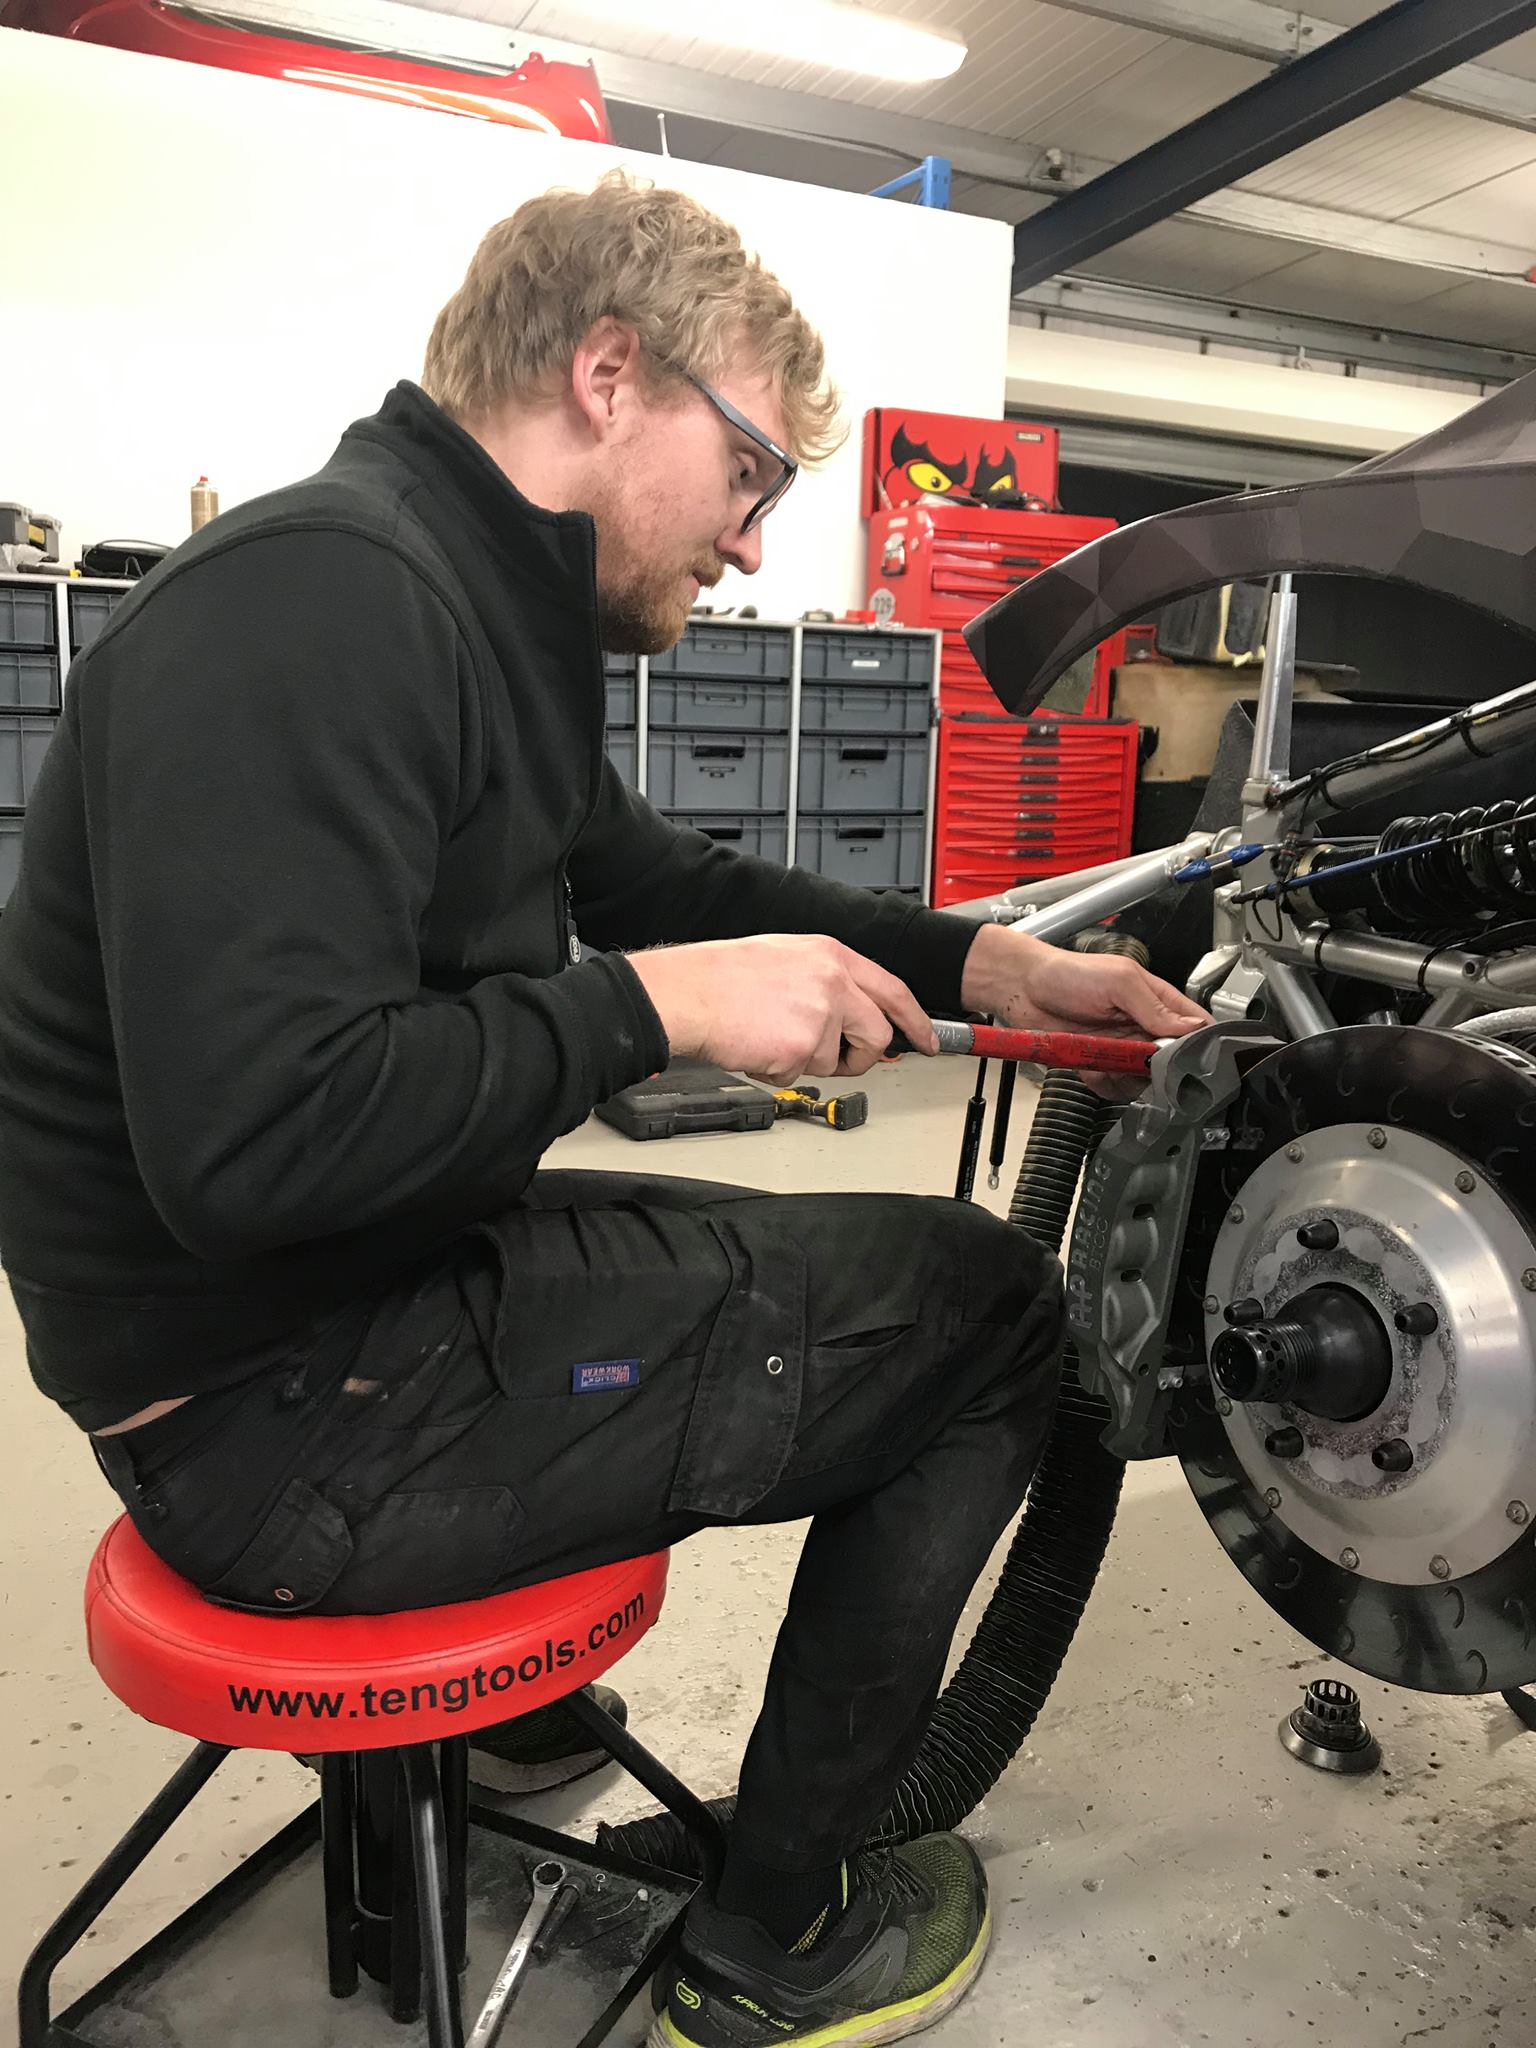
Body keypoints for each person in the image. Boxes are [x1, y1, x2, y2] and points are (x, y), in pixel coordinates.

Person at [0, 171, 1205, 2048]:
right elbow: (254, 1143)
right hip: (273, 1418)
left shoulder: (470, 598)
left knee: (836, 1259)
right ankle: (775, 1939)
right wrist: (654, 1014)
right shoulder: (322, 603)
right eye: (751, 473)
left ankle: (512, 1720)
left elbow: (655, 878)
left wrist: (991, 965)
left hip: (340, 1308)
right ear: (609, 374)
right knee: (986, 1317)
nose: (753, 545)